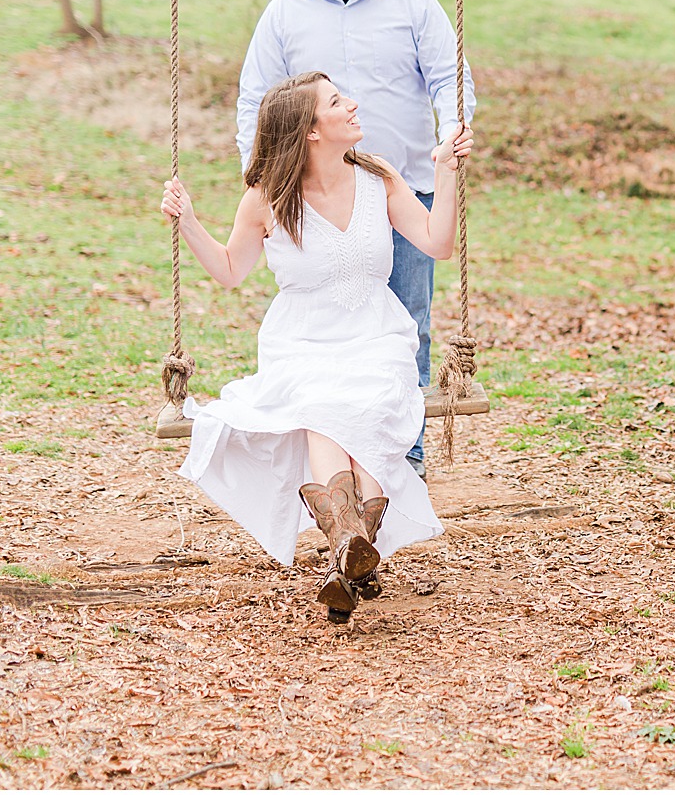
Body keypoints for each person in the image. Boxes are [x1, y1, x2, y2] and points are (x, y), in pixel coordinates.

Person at [163, 71, 473, 623]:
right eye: (336, 101)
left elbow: (438, 242)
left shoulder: (378, 178)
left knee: (371, 410)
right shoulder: (267, 198)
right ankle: (353, 551)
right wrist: (187, 222)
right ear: (309, 130)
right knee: (323, 408)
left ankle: (345, 552)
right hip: (302, 341)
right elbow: (232, 270)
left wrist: (446, 172)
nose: (352, 104)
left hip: (377, 335)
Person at [236, 0, 476, 481]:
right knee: (327, 326)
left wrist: (451, 135)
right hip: (312, 198)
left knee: (407, 324)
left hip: (402, 188)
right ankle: (332, 457)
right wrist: (263, 178)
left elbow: (449, 77)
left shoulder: (413, 2)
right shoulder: (286, 11)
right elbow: (255, 101)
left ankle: (404, 459)